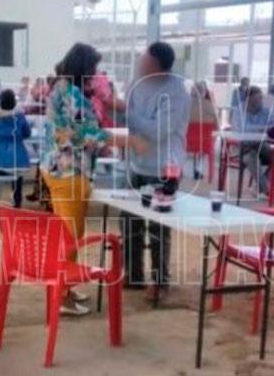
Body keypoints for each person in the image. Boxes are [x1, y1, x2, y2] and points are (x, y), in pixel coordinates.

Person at [42, 43, 111, 316]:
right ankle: (61, 295)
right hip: (70, 171)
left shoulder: (58, 87)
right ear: (83, 67)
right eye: (92, 68)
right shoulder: (73, 94)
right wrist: (117, 140)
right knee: (70, 237)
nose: (94, 74)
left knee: (66, 233)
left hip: (54, 168)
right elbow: (86, 134)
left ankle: (65, 288)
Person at [122, 41, 190, 299]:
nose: (140, 64)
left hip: (164, 168)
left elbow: (157, 131)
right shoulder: (136, 84)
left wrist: (126, 114)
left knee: (159, 226)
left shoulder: (176, 92)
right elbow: (127, 119)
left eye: (146, 61)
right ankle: (134, 274)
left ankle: (160, 281)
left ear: (160, 67)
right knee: (129, 221)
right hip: (137, 164)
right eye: (141, 59)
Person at [0, 89, 31, 207]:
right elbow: (27, 133)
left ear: (0, 102)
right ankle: (17, 201)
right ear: (14, 102)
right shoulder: (20, 117)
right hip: (19, 161)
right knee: (17, 176)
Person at [233, 86, 274, 195]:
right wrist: (262, 128)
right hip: (245, 146)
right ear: (248, 99)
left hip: (261, 145)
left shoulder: (265, 111)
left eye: (260, 98)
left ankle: (260, 186)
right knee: (250, 157)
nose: (259, 102)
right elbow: (241, 128)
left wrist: (259, 128)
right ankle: (267, 190)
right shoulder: (239, 110)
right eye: (256, 99)